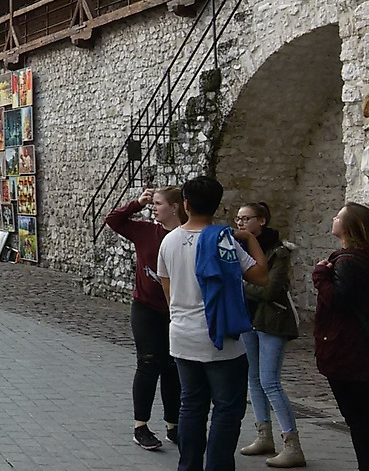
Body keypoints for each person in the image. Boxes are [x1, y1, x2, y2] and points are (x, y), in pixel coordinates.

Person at [157, 176, 268, 471]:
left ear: (185, 204)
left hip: (182, 334)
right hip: (220, 336)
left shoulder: (169, 241)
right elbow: (260, 276)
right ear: (217, 205)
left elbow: (168, 291)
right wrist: (251, 239)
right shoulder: (224, 240)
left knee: (191, 405)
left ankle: (188, 465)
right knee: (227, 409)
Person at [314, 202, 369, 471]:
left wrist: (320, 276)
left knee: (361, 418)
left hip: (349, 351)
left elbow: (339, 300)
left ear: (351, 226)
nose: (334, 218)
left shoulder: (349, 262)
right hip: (368, 349)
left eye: (339, 216)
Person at [106, 187, 187, 451]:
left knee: (173, 366)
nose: (153, 208)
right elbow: (113, 220)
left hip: (176, 310)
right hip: (146, 308)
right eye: (152, 203)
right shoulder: (145, 231)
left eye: (158, 203)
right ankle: (140, 426)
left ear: (175, 207)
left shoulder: (185, 235)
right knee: (149, 363)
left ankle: (173, 425)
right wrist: (136, 204)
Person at [234, 203, 304, 467]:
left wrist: (242, 284)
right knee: (253, 378)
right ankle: (264, 434)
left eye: (246, 218)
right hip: (249, 319)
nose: (240, 223)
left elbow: (270, 289)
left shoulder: (278, 252)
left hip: (272, 320)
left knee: (270, 381)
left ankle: (292, 444)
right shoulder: (238, 249)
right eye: (238, 219)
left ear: (261, 221)